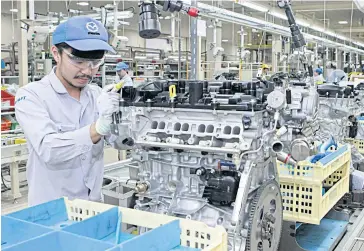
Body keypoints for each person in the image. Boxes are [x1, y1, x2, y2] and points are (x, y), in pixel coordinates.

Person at [15, 16, 128, 206]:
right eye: (78, 61)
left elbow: (118, 143)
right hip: (52, 210)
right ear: (56, 53)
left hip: (93, 205)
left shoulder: (97, 95)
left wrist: (130, 124)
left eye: (95, 63)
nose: (87, 71)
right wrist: (98, 128)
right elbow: (48, 149)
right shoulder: (31, 96)